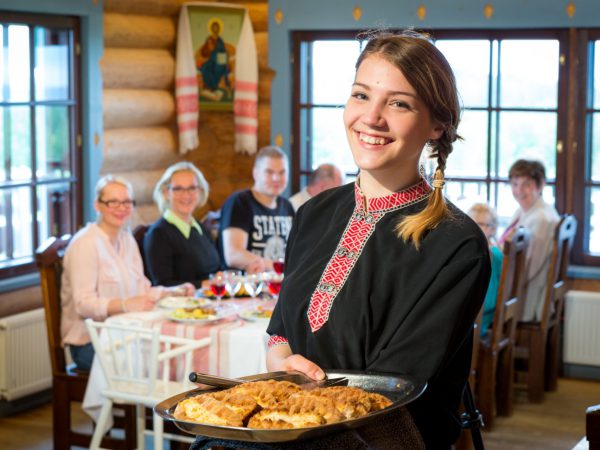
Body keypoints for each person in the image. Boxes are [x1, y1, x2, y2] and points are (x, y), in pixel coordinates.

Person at [263, 30, 491, 449]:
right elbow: (281, 332)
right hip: (292, 427)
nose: (371, 117)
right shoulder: (312, 214)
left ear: (437, 125)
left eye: (399, 103)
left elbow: (391, 390)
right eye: (361, 95)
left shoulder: (457, 245)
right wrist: (280, 362)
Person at [60, 175, 195, 372]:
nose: (121, 208)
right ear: (97, 205)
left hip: (127, 332)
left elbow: (142, 289)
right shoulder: (85, 244)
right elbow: (83, 304)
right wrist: (124, 305)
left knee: (179, 352)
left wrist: (173, 291)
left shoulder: (127, 239)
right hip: (90, 342)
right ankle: (152, 403)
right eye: (113, 202)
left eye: (126, 202)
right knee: (163, 363)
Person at [217, 146, 295, 274]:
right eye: (269, 172)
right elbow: (233, 254)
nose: (276, 178)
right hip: (245, 288)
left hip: (280, 287)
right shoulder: (240, 202)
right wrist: (278, 267)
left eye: (282, 172)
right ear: (256, 173)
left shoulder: (287, 206)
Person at [144, 162, 221, 288]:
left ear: (199, 191)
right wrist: (203, 285)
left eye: (192, 188)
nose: (186, 195)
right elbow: (163, 285)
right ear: (166, 193)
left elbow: (215, 270)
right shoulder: (159, 234)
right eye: (178, 189)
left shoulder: (200, 228)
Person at [499, 159, 559, 322]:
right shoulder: (524, 210)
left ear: (540, 185)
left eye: (527, 184)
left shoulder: (541, 219)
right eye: (515, 184)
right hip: (519, 288)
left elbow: (528, 268)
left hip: (525, 296)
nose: (519, 190)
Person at [468, 203, 504, 336]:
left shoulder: (492, 255)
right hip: (480, 312)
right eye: (474, 224)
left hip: (482, 315)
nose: (478, 229)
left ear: (493, 229)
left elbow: (488, 297)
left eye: (483, 224)